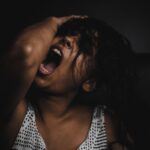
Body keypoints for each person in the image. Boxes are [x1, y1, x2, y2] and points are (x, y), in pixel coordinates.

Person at [0, 16, 135, 150]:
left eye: (84, 46)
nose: (68, 39)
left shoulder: (105, 123)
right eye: (65, 32)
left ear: (90, 82)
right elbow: (24, 54)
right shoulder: (13, 112)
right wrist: (53, 22)